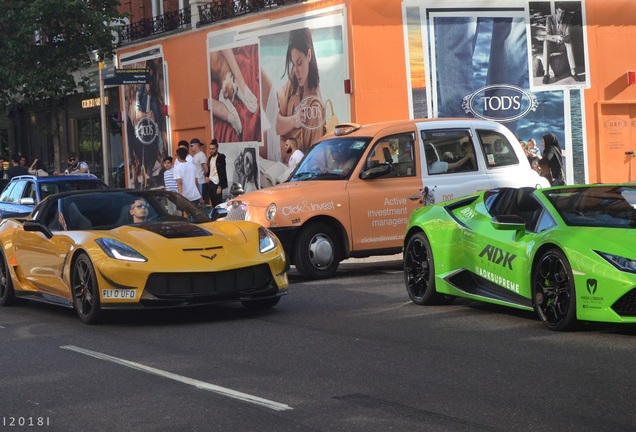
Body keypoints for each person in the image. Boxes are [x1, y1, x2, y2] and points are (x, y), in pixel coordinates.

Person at [262, 27, 326, 162]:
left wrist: (285, 122)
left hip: (293, 159)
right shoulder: (295, 80)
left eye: (299, 63)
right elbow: (277, 124)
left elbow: (314, 157)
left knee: (258, 74)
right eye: (293, 64)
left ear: (309, 55)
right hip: (281, 146)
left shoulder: (314, 103)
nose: (296, 71)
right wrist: (294, 121)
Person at [541, 4, 583, 84]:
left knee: (569, 43)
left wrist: (563, 39)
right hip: (553, 44)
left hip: (562, 44)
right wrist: (557, 37)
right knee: (545, 42)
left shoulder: (567, 19)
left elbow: (568, 35)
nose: (561, 15)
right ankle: (546, 74)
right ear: (556, 11)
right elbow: (547, 35)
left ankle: (573, 72)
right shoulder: (549, 19)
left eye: (563, 13)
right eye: (559, 12)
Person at [206, 139, 228, 207]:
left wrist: (220, 186)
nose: (211, 150)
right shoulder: (210, 158)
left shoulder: (220, 158)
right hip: (211, 183)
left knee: (218, 204)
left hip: (217, 183)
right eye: (210, 149)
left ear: (217, 149)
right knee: (212, 203)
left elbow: (222, 172)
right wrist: (207, 176)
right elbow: (210, 169)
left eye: (213, 149)